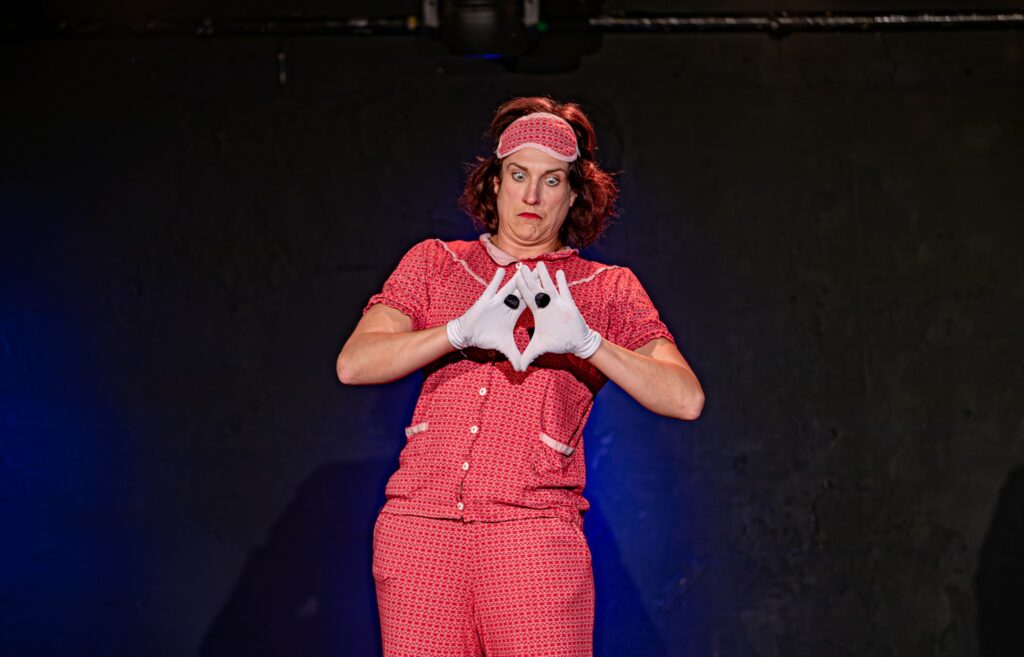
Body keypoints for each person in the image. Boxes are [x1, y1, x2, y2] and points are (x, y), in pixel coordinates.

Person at [336, 96, 704, 657]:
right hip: (419, 533)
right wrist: (456, 331)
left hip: (532, 539)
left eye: (551, 180)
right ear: (495, 183)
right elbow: (354, 363)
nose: (532, 196)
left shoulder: (605, 289)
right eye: (518, 175)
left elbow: (685, 399)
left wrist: (589, 343)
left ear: (574, 194)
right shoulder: (436, 263)